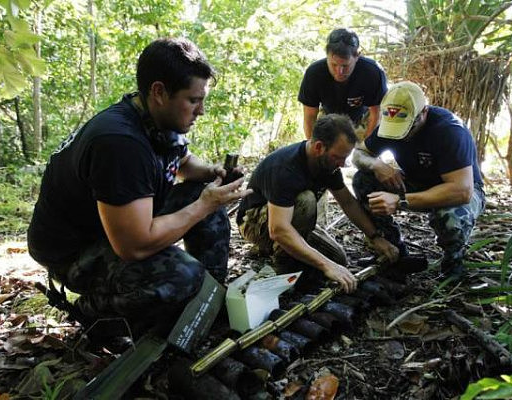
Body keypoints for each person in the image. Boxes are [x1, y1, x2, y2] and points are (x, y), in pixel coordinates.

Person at [27, 38, 251, 335]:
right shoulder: (120, 143)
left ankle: (206, 301)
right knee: (183, 274)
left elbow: (182, 161)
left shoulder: (158, 119)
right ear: (159, 92)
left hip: (117, 225)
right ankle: (91, 313)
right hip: (72, 251)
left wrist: (213, 172)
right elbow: (133, 245)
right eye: (194, 101)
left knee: (201, 195)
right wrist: (204, 205)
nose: (202, 111)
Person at [236, 114, 400, 293]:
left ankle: (287, 251)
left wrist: (375, 237)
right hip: (255, 223)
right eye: (338, 157)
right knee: (306, 200)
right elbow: (278, 229)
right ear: (319, 147)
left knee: (338, 260)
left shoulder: (328, 165)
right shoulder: (285, 169)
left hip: (289, 218)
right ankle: (285, 268)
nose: (343, 164)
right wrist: (325, 266)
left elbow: (347, 202)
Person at [352, 81, 486, 278]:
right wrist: (377, 165)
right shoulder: (393, 120)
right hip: (416, 183)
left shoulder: (449, 130)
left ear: (423, 112)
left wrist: (401, 202)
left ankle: (453, 261)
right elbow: (358, 154)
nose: (402, 135)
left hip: (460, 192)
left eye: (407, 128)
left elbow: (462, 191)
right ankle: (394, 250)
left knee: (450, 215)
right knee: (363, 180)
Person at [298, 28, 388, 141]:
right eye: (333, 64)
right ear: (327, 56)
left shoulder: (373, 72)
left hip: (363, 118)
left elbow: (376, 114)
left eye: (345, 66)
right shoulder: (314, 73)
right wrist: (313, 148)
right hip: (328, 117)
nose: (339, 71)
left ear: (357, 57)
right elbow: (309, 117)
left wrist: (366, 148)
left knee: (364, 155)